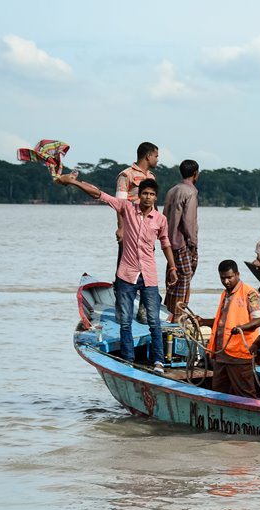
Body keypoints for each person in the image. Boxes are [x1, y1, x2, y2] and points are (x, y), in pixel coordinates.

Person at [54, 172, 177, 372]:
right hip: (126, 275)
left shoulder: (160, 220)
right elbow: (99, 195)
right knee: (126, 321)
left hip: (149, 276)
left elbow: (165, 243)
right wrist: (73, 182)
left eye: (151, 194)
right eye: (144, 193)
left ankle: (158, 361)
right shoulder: (127, 208)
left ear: (156, 197)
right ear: (139, 196)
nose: (147, 197)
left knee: (154, 322)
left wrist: (172, 267)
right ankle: (128, 360)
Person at [196, 260, 260, 398]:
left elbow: (258, 320)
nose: (226, 281)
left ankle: (249, 416)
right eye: (222, 278)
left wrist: (241, 328)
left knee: (245, 392)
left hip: (239, 353)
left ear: (237, 275)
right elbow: (223, 321)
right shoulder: (225, 294)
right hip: (221, 353)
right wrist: (203, 321)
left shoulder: (249, 293)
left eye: (229, 277)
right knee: (219, 390)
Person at [114, 142, 159, 321]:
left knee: (147, 269)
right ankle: (122, 310)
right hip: (130, 230)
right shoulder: (126, 175)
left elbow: (152, 206)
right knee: (124, 268)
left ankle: (143, 310)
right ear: (148, 156)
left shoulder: (151, 177)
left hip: (148, 231)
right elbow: (120, 205)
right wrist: (121, 228)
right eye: (156, 156)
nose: (157, 159)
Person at [163, 159, 200, 321]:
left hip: (169, 244)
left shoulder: (172, 190)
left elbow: (163, 216)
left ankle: (168, 315)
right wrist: (193, 244)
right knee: (184, 280)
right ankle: (178, 318)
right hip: (183, 243)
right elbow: (189, 221)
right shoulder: (190, 192)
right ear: (195, 173)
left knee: (172, 280)